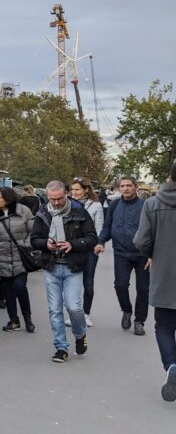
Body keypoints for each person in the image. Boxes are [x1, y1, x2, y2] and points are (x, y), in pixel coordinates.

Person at [30, 180, 98, 363]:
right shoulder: (43, 212)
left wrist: (72, 244)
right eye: (52, 199)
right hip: (51, 266)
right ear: (47, 197)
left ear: (66, 194)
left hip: (72, 266)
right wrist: (46, 244)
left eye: (60, 198)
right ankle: (61, 348)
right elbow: (34, 239)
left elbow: (92, 237)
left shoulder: (79, 211)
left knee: (74, 307)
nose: (57, 203)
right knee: (54, 310)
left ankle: (79, 334)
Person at [133, 160, 176, 401]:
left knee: (165, 326)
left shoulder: (153, 203)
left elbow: (141, 241)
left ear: (170, 177)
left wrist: (152, 254)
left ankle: (171, 365)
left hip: (165, 274)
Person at [100, 175, 149, 335]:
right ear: (119, 188)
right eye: (122, 186)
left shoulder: (145, 206)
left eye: (129, 185)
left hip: (142, 254)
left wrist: (152, 253)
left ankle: (139, 321)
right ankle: (126, 310)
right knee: (120, 285)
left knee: (143, 289)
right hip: (121, 253)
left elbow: (153, 231)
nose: (126, 188)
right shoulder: (114, 206)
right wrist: (100, 241)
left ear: (136, 187)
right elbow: (107, 226)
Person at [0, 187, 36, 333]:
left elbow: (33, 230)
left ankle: (28, 319)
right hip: (1, 258)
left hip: (20, 257)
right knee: (7, 290)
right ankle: (14, 320)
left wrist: (26, 245)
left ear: (8, 198)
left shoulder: (23, 211)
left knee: (20, 287)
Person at [71, 178, 104, 327]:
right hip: (72, 248)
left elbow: (99, 227)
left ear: (86, 190)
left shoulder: (96, 205)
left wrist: (97, 244)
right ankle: (74, 313)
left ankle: (85, 314)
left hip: (90, 249)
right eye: (72, 190)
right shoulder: (68, 204)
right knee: (72, 282)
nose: (74, 192)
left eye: (77, 189)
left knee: (88, 282)